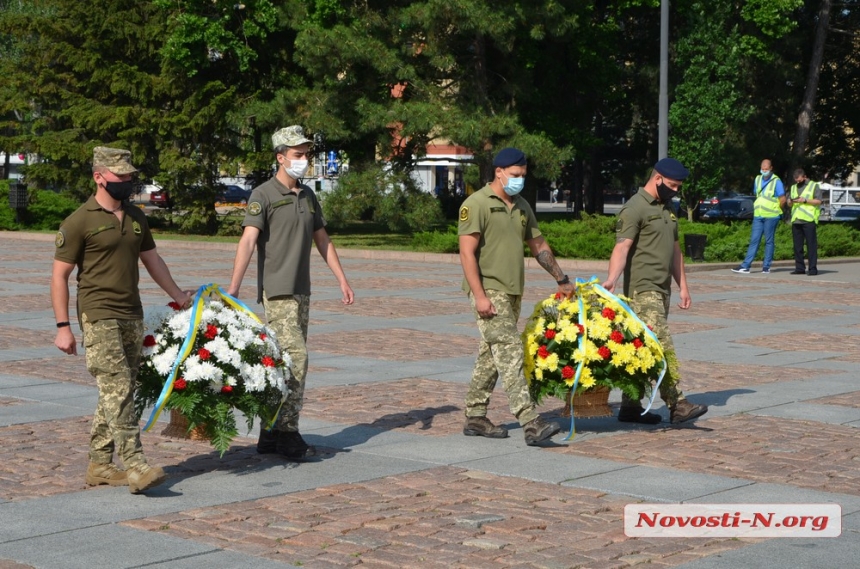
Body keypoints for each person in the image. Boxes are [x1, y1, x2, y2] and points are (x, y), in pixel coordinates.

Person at [52, 146, 192, 494]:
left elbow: (153, 260)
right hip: (98, 315)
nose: (128, 181)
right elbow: (59, 277)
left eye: (130, 175)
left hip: (132, 312)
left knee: (118, 390)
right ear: (99, 177)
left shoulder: (135, 216)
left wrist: (178, 295)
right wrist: (63, 327)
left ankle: (99, 464)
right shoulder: (79, 221)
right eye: (120, 176)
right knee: (118, 389)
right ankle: (136, 465)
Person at [227, 125, 354, 461]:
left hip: (302, 292)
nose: (304, 160)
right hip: (278, 292)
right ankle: (288, 433)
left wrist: (341, 278)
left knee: (284, 365)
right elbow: (248, 241)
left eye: (306, 154)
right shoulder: (263, 195)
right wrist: (235, 287)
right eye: (298, 154)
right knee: (297, 359)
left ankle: (269, 433)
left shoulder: (308, 196)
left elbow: (322, 240)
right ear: (280, 157)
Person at [458, 147, 571, 445]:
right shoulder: (476, 204)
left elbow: (538, 245)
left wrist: (561, 278)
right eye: (515, 175)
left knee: (491, 354)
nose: (520, 180)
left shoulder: (521, 205)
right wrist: (480, 296)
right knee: (510, 352)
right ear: (499, 172)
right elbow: (467, 253)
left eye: (523, 175)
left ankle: (475, 414)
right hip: (489, 290)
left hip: (512, 292)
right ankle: (529, 421)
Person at [602, 157, 708, 425]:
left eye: (678, 187)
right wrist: (612, 279)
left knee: (640, 349)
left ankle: (630, 405)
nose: (675, 191)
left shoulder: (667, 209)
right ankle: (677, 403)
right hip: (642, 290)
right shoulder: (634, 207)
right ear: (657, 178)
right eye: (672, 185)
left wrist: (683, 286)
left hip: (662, 290)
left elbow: (675, 251)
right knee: (662, 346)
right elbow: (622, 246)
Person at [732, 159, 786, 274]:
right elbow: (758, 194)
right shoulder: (757, 179)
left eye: (766, 169)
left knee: (769, 241)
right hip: (758, 215)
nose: (764, 171)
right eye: (762, 169)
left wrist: (777, 209)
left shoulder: (777, 181)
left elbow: (783, 199)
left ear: (771, 168)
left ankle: (766, 266)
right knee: (754, 240)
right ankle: (745, 266)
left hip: (771, 215)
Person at [787, 168, 822, 276]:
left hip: (808, 220)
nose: (797, 182)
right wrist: (790, 202)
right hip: (796, 220)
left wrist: (805, 200)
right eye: (795, 180)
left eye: (799, 179)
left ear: (804, 176)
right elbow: (789, 204)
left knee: (811, 245)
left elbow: (818, 201)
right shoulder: (793, 187)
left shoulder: (813, 185)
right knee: (797, 246)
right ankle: (800, 268)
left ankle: (812, 269)